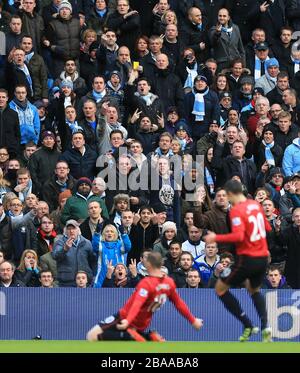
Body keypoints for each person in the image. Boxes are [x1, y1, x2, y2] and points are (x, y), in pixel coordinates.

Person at [204, 180, 272, 342]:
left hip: (248, 258)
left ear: (231, 194)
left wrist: (215, 237)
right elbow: (267, 229)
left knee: (220, 289)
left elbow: (239, 236)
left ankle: (247, 324)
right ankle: (266, 327)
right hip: (263, 257)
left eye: (227, 196)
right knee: (253, 289)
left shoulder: (236, 210)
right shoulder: (256, 205)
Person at [86, 251, 203, 341]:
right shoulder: (169, 283)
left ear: (149, 265)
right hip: (143, 323)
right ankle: (147, 336)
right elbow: (179, 304)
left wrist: (128, 321)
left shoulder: (147, 283)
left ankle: (134, 336)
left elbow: (137, 304)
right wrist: (193, 320)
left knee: (91, 336)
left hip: (125, 317)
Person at [52, 219, 97, 287]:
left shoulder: (87, 242)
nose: (71, 231)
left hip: (84, 282)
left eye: (74, 228)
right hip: (66, 282)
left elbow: (93, 261)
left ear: (78, 229)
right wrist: (65, 249)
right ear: (65, 231)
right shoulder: (60, 242)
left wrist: (93, 276)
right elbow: (55, 256)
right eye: (69, 229)